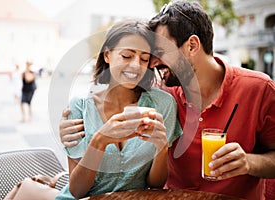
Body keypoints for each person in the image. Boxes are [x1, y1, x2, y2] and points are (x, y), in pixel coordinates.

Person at [59, 1, 275, 199]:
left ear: (191, 46)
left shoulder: (259, 89)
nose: (151, 63)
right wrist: (75, 129)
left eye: (160, 51)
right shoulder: (164, 94)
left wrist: (250, 162)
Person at [55, 19, 181, 200]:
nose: (136, 65)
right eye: (127, 56)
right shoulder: (80, 107)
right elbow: (77, 191)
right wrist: (99, 141)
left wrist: (161, 148)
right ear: (107, 55)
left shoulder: (162, 104)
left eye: (144, 58)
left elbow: (155, 185)